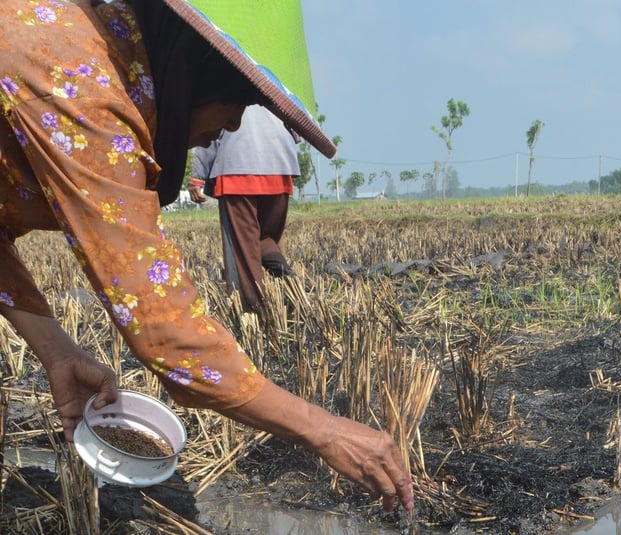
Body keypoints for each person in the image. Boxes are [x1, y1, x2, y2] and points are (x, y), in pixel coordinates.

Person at [0, 0, 413, 513]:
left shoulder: (86, 59)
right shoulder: (76, 86)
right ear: (192, 73)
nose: (235, 126)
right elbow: (167, 332)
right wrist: (325, 431)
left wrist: (58, 351)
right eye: (237, 101)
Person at [188, 104, 299, 312]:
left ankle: (254, 310)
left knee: (242, 248)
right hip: (280, 166)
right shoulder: (277, 90)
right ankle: (288, 278)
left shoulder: (227, 86)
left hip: (237, 170)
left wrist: (197, 177)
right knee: (265, 237)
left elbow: (210, 129)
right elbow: (296, 132)